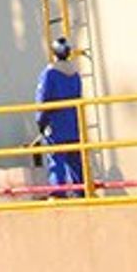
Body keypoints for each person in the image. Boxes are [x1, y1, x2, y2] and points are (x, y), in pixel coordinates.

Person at [35, 34, 85, 196]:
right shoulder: (76, 75)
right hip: (73, 124)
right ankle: (81, 192)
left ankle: (58, 194)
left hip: (55, 125)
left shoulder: (50, 74)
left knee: (56, 161)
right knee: (75, 161)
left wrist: (40, 122)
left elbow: (43, 99)